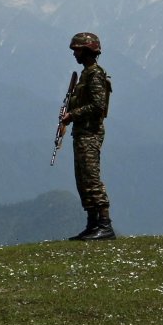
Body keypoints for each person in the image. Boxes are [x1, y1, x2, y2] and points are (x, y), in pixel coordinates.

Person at [62, 32, 115, 241]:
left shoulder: (94, 75)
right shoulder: (86, 74)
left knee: (91, 178)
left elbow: (98, 106)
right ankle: (92, 224)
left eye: (78, 49)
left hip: (90, 134)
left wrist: (73, 114)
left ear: (87, 50)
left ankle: (104, 224)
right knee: (82, 179)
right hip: (82, 133)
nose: (75, 53)